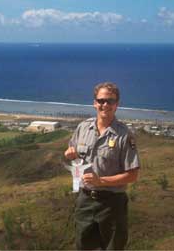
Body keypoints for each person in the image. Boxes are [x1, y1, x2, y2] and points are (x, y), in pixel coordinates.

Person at [65, 82, 140, 250]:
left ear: (117, 104)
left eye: (110, 101)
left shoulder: (124, 135)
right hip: (84, 201)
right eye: (101, 100)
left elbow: (133, 175)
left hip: (112, 204)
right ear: (94, 103)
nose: (105, 105)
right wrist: (72, 158)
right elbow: (77, 164)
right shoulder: (83, 128)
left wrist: (101, 181)